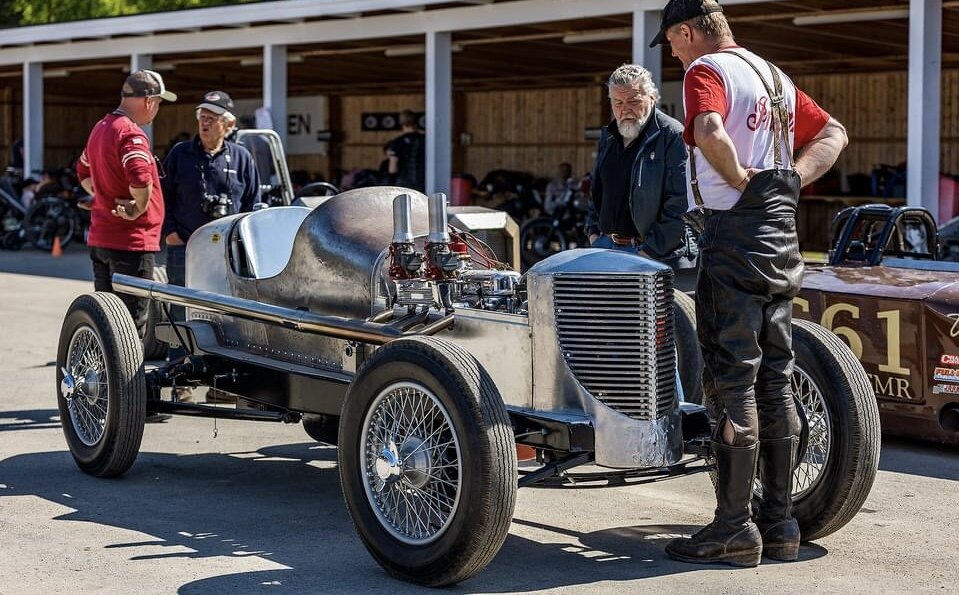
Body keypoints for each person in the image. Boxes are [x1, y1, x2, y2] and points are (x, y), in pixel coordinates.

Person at [650, 0, 848, 567]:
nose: (671, 52)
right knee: (776, 375)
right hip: (781, 234)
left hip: (732, 232)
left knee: (731, 377)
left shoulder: (705, 71)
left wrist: (739, 179)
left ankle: (733, 528)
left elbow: (710, 128)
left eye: (671, 40)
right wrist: (787, 180)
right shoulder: (774, 76)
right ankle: (780, 523)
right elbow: (833, 132)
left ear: (688, 31)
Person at [76, 69, 176, 340]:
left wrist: (102, 197)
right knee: (131, 329)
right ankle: (127, 383)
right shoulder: (131, 134)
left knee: (106, 321)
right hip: (131, 243)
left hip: (101, 239)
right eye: (158, 103)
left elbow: (83, 171)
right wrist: (138, 207)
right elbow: (141, 179)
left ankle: (104, 380)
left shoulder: (100, 128)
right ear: (149, 102)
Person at [161, 91, 260, 334]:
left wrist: (245, 243)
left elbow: (253, 203)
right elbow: (162, 197)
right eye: (202, 116)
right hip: (184, 246)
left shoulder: (241, 158)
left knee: (226, 309)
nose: (205, 122)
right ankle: (178, 362)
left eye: (212, 118)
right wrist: (170, 233)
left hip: (228, 251)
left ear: (229, 124)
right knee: (180, 308)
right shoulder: (180, 154)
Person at [585, 64, 690, 267]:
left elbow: (681, 202)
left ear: (652, 97)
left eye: (633, 101)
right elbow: (596, 190)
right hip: (605, 246)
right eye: (618, 102)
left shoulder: (671, 135)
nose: (625, 109)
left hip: (652, 254)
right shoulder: (608, 136)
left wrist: (650, 250)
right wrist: (593, 232)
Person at [387, 110, 425, 191]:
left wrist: (390, 183)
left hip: (403, 185)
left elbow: (392, 168)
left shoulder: (397, 142)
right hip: (424, 183)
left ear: (401, 123)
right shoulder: (425, 140)